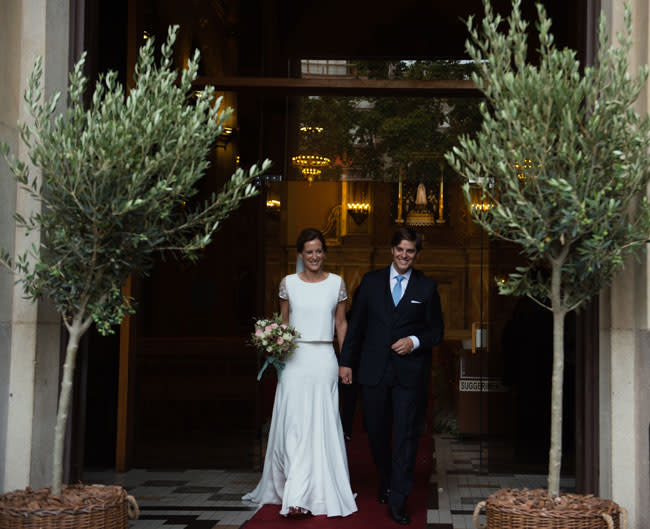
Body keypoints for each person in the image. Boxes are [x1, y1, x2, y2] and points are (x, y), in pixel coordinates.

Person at [243, 228, 357, 518]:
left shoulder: (337, 283)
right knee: (293, 425)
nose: (315, 256)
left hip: (324, 359)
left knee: (321, 424)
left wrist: (346, 361)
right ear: (301, 254)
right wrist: (272, 344)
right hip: (294, 361)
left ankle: (318, 489)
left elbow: (341, 324)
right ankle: (294, 493)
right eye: (309, 251)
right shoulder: (288, 284)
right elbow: (283, 323)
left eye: (319, 250)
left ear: (324, 253)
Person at [339, 227, 443, 525]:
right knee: (376, 433)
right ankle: (386, 479)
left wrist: (415, 342)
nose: (404, 255)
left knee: (406, 437)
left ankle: (399, 497)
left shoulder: (427, 288)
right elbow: (356, 327)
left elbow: (436, 331)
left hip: (409, 376)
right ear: (392, 250)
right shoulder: (370, 283)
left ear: (416, 254)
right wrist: (346, 362)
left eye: (410, 251)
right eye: (400, 249)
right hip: (373, 373)